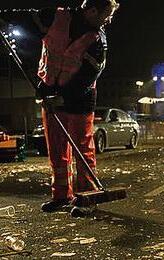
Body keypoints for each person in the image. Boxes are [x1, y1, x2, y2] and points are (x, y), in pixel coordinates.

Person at [1, 0, 119, 217]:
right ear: (92, 11)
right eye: (107, 15)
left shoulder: (97, 41)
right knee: (56, 149)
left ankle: (86, 196)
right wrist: (4, 17)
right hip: (50, 94)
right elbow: (28, 17)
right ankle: (61, 196)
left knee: (81, 148)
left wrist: (62, 97)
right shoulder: (57, 18)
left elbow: (86, 78)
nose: (108, 20)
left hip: (79, 101)